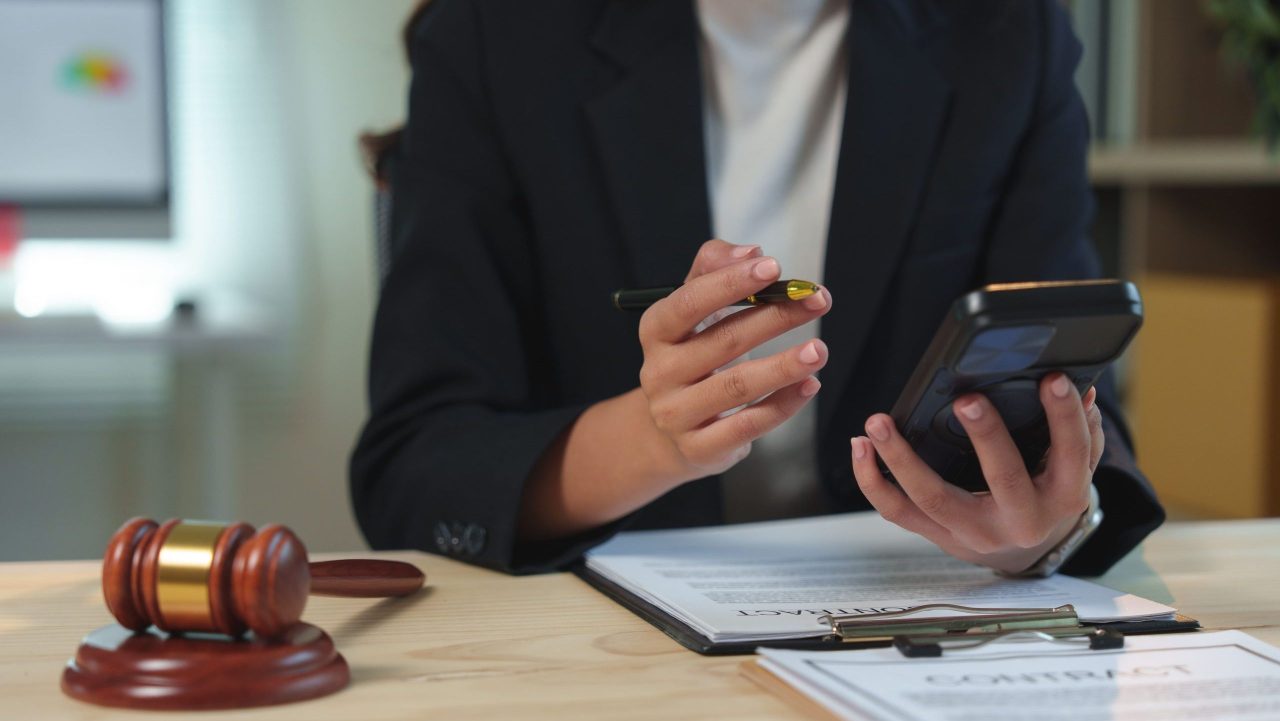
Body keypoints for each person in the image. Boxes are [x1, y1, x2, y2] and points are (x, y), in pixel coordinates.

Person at [350, 0, 1165, 577]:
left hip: (909, 613)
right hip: (600, 635)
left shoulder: (1010, 32)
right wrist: (653, 440)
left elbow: (1075, 398)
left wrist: (1042, 525)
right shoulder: (495, 37)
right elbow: (416, 467)